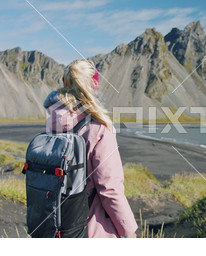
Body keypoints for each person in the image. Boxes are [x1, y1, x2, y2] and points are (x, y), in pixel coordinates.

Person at [43, 59, 138, 238]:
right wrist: (129, 232)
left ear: (64, 83)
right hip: (92, 230)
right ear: (94, 86)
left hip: (55, 226)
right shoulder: (99, 130)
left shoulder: (51, 126)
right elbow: (110, 188)